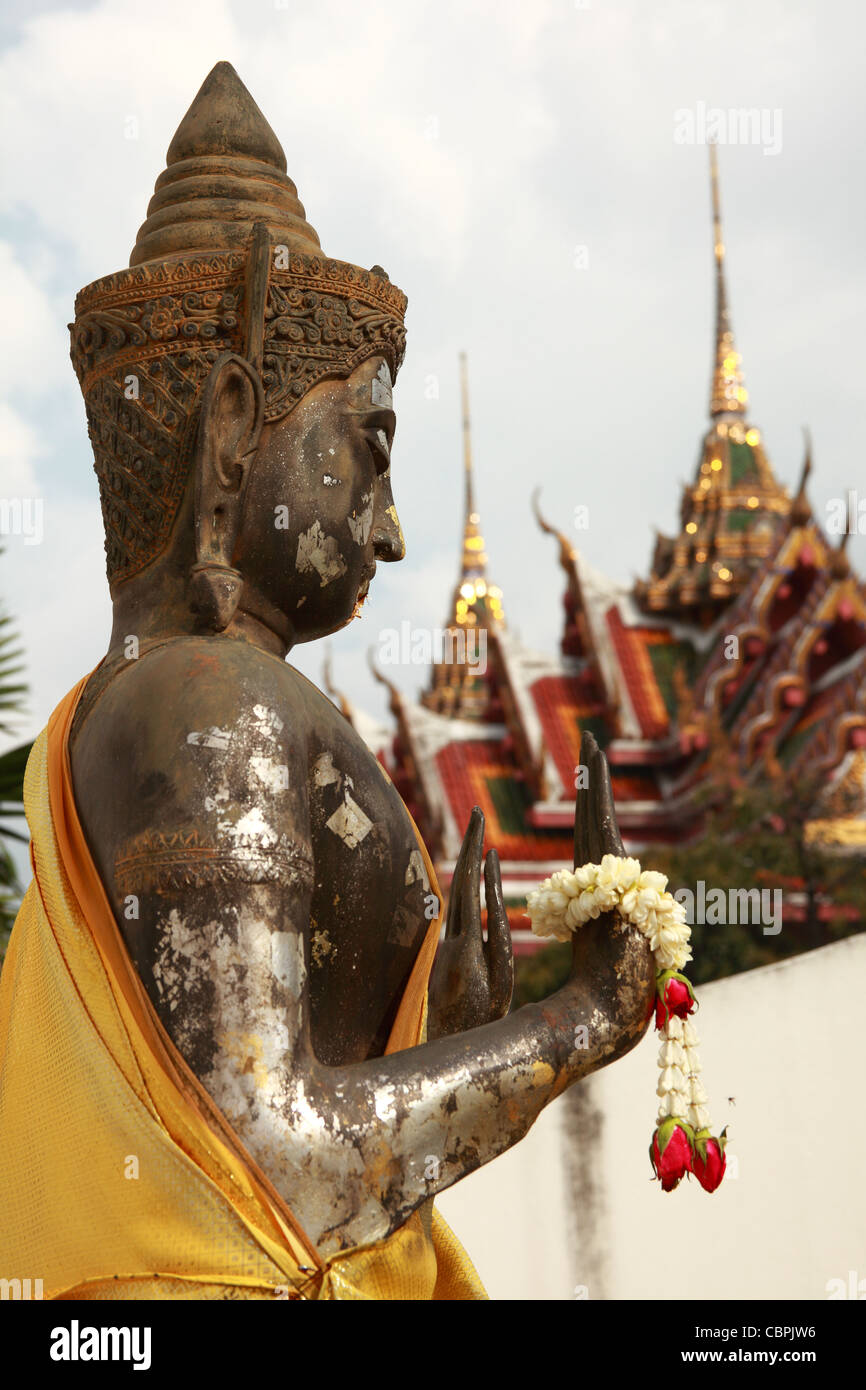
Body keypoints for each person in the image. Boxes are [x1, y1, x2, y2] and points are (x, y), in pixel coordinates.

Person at [0, 63, 655, 1300]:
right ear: (239, 422)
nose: (392, 525)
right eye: (370, 443)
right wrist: (578, 1024)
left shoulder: (140, 702)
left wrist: (436, 1039)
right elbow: (271, 1160)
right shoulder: (212, 702)